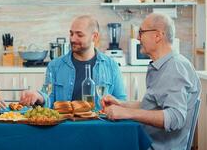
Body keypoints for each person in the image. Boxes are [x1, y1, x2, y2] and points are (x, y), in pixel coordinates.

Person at [102, 13, 201, 150]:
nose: (137, 37)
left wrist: (128, 113)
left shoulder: (175, 67)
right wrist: (122, 104)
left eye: (141, 32)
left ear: (158, 36)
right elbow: (153, 105)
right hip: (147, 141)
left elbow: (175, 118)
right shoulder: (161, 66)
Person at [20, 15, 127, 109]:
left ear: (95, 37)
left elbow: (121, 101)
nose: (72, 39)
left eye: (79, 35)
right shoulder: (55, 66)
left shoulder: (111, 66)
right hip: (65, 128)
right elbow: (48, 97)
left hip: (99, 127)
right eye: (71, 34)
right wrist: (39, 97)